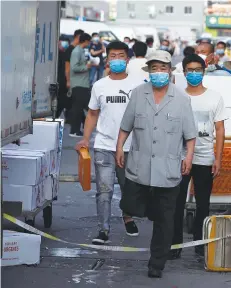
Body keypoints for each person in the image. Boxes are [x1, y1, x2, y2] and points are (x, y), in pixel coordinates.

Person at [116, 50, 197, 278]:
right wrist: (119, 147)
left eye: (163, 68)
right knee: (130, 206)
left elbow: (190, 135)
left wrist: (188, 157)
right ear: (149, 71)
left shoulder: (181, 99)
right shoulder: (138, 94)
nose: (158, 73)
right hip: (140, 166)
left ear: (170, 71)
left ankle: (156, 263)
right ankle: (142, 213)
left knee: (165, 219)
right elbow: (126, 125)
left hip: (168, 168)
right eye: (154, 68)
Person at [75, 41, 142, 244]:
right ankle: (103, 230)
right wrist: (86, 138)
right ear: (107, 59)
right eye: (112, 56)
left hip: (131, 147)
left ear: (127, 59)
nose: (117, 60)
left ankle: (127, 216)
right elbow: (93, 114)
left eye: (121, 55)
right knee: (104, 190)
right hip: (104, 145)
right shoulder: (100, 86)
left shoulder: (138, 86)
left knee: (128, 187)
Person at [170, 54, 227, 260]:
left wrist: (218, 158)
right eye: (190, 70)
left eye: (198, 70)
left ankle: (199, 244)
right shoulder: (176, 96)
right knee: (176, 203)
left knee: (203, 204)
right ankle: (174, 245)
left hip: (204, 158)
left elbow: (219, 130)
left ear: (204, 71)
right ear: (184, 72)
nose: (194, 74)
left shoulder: (214, 97)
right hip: (179, 158)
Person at [69, 33, 92, 137]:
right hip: (78, 84)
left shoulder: (81, 51)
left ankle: (77, 129)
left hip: (83, 83)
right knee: (79, 108)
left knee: (80, 107)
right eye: (89, 41)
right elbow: (74, 67)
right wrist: (86, 67)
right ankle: (75, 130)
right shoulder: (77, 51)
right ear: (86, 41)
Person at [57, 36, 72, 120]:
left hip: (64, 82)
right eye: (62, 42)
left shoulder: (67, 54)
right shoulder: (56, 54)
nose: (64, 44)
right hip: (58, 81)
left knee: (63, 101)